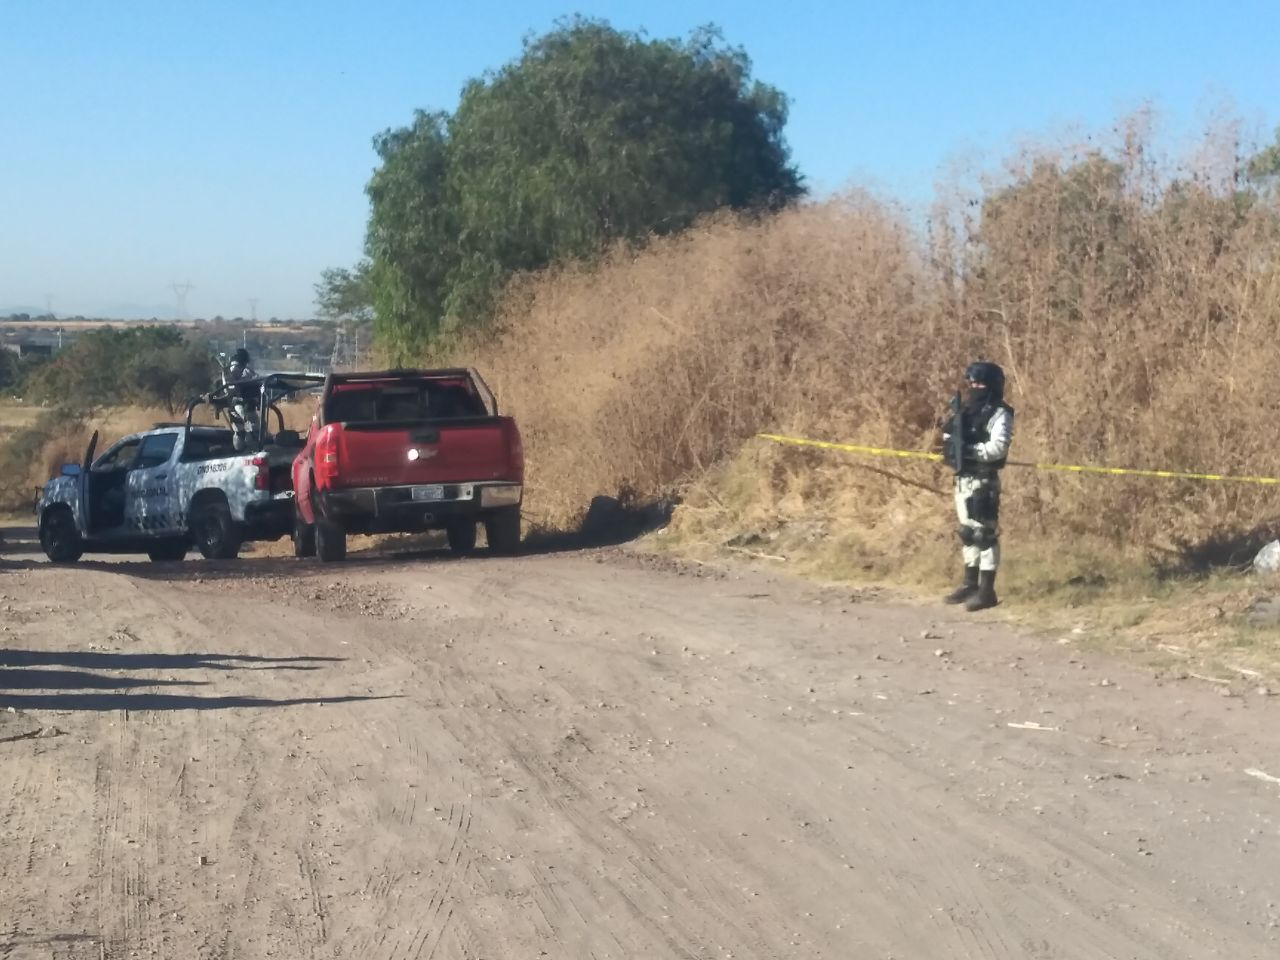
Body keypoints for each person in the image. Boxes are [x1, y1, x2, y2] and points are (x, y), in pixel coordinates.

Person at [941, 361, 1014, 611]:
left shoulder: (1000, 413)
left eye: (980, 384)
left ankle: (987, 591)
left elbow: (998, 447)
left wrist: (970, 451)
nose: (975, 388)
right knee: (967, 533)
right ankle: (969, 583)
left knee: (985, 535)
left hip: (984, 479)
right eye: (972, 383)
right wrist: (952, 446)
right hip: (963, 479)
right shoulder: (965, 410)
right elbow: (949, 434)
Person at [226, 348, 258, 450]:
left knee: (240, 431)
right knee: (251, 429)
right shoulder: (244, 368)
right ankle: (252, 449)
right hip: (245, 406)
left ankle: (240, 450)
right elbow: (254, 378)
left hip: (235, 406)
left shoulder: (230, 367)